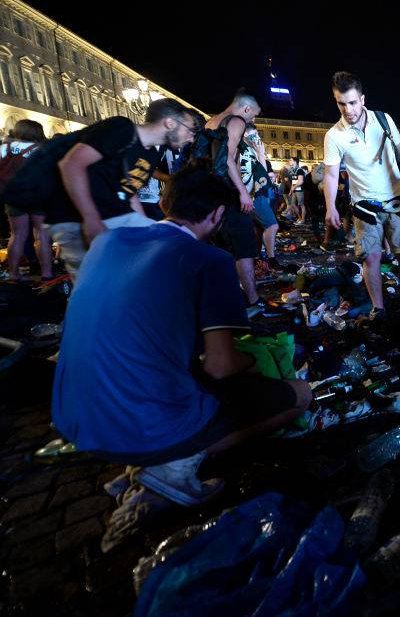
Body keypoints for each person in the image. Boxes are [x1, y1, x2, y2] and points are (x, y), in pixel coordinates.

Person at [51, 164, 311, 507]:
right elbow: (221, 367)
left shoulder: (106, 242)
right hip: (145, 424)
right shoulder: (210, 259)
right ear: (218, 213)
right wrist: (254, 359)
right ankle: (175, 462)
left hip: (75, 419)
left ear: (164, 204)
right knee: (300, 394)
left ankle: (151, 453)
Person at [49, 99, 198, 275]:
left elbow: (130, 193)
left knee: (170, 242)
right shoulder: (121, 129)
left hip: (112, 215)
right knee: (96, 281)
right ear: (170, 123)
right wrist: (91, 220)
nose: (192, 137)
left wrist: (144, 227)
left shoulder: (151, 153)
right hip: (78, 216)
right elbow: (71, 164)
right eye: (190, 130)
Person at [322, 72, 400, 320]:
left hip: (396, 200)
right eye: (341, 103)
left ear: (362, 99)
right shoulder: (334, 135)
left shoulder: (384, 120)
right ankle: (379, 308)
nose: (347, 109)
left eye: (352, 102)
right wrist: (330, 207)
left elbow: (399, 149)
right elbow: (331, 175)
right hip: (364, 205)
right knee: (371, 257)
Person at [202, 91, 263, 313]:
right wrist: (242, 192)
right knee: (244, 246)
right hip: (227, 192)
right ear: (246, 109)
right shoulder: (236, 121)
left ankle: (229, 296)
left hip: (210, 192)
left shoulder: (211, 122)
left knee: (223, 247)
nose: (252, 121)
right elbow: (227, 158)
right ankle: (253, 300)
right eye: (253, 116)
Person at [2, 120, 54, 281]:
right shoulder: (45, 149)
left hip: (15, 196)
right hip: (39, 195)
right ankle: (47, 273)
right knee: (42, 235)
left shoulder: (6, 148)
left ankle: (14, 274)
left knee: (16, 235)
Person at [240, 123, 279, 268]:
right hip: (252, 195)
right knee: (272, 225)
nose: (257, 138)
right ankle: (271, 258)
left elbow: (262, 173)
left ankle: (258, 257)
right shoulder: (242, 150)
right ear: (245, 135)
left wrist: (260, 153)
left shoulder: (251, 150)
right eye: (254, 135)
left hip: (257, 194)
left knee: (258, 228)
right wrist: (260, 153)